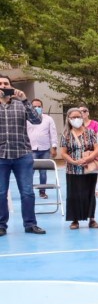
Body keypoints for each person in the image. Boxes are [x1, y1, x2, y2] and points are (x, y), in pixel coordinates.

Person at [0, 75, 46, 235]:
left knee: (27, 192)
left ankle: (30, 224)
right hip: (0, 156)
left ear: (11, 87)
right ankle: (1, 225)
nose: (3, 86)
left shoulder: (21, 105)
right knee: (1, 192)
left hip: (22, 155)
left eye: (6, 83)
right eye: (0, 84)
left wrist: (25, 100)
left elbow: (37, 120)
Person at [60, 107, 98, 229]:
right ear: (69, 119)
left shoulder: (90, 132)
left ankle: (91, 219)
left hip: (89, 168)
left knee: (89, 193)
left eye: (78, 116)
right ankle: (75, 220)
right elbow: (63, 152)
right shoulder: (66, 135)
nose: (76, 119)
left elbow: (97, 148)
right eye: (73, 117)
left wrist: (89, 158)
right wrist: (73, 162)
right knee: (73, 194)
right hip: (72, 169)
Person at [27, 98, 57, 199]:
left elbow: (53, 133)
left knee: (43, 172)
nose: (37, 108)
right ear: (30, 107)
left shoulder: (48, 119)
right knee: (30, 172)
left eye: (39, 106)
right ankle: (28, 192)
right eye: (34, 106)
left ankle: (42, 192)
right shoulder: (26, 118)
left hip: (45, 150)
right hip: (31, 150)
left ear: (42, 107)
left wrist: (54, 147)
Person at [80, 105, 98, 198]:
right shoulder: (77, 124)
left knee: (96, 170)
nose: (83, 112)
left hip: (94, 150)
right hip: (81, 151)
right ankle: (84, 189)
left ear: (88, 113)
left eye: (85, 111)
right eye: (80, 111)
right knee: (82, 170)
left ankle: (96, 189)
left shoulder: (94, 124)